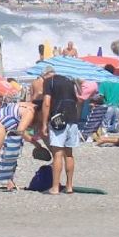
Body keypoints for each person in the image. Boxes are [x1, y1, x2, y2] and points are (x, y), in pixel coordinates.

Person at [36, 64, 81, 194]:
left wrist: (44, 123)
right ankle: (69, 186)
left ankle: (55, 187)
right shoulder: (69, 80)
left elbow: (46, 103)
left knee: (57, 154)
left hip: (58, 120)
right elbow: (78, 100)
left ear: (45, 75)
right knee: (69, 154)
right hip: (72, 119)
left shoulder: (49, 82)